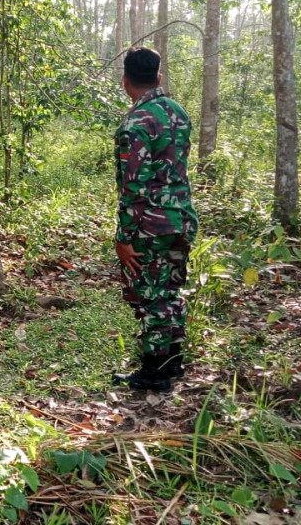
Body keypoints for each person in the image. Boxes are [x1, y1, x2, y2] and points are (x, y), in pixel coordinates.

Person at [111, 47, 198, 393]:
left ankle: (155, 372)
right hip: (181, 219)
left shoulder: (136, 123)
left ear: (125, 81)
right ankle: (172, 362)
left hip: (151, 225)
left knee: (152, 296)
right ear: (158, 77)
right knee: (171, 291)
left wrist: (124, 236)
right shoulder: (178, 112)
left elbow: (134, 185)